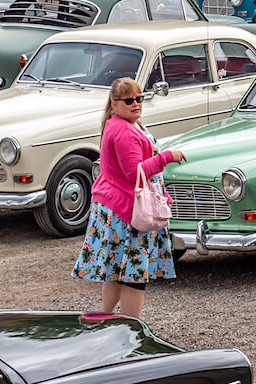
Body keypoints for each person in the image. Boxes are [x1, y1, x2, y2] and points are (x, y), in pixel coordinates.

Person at [72, 77, 186, 318]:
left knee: (116, 270)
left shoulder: (122, 124)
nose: (136, 104)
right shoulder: (124, 131)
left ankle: (106, 320)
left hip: (118, 208)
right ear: (114, 104)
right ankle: (130, 332)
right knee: (134, 275)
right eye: (129, 100)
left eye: (139, 99)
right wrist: (166, 157)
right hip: (127, 212)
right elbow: (135, 173)